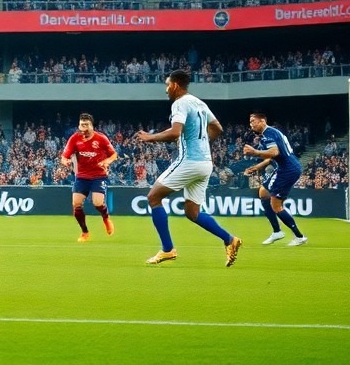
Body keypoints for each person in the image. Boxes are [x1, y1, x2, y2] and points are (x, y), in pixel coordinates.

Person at [136, 69, 241, 266]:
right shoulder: (199, 103)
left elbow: (175, 132)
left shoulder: (180, 103)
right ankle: (230, 240)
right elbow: (218, 128)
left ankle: (167, 250)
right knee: (192, 213)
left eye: (167, 85)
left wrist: (151, 137)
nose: (166, 90)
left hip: (190, 161)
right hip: (205, 163)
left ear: (175, 85)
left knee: (153, 197)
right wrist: (201, 141)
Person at [242, 112, 307, 246]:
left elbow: (274, 152)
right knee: (263, 192)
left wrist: (255, 152)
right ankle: (277, 231)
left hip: (287, 170)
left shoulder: (268, 134)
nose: (251, 124)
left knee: (276, 205)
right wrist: (257, 166)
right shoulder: (272, 132)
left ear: (262, 121)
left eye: (253, 121)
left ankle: (299, 236)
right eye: (250, 122)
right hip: (285, 167)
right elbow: (272, 156)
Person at [60, 112, 118, 242]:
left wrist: (107, 161)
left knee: (97, 203)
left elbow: (114, 155)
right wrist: (65, 161)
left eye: (86, 125)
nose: (83, 128)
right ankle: (85, 232)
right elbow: (65, 156)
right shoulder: (75, 138)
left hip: (98, 176)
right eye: (81, 125)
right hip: (81, 177)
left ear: (92, 126)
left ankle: (106, 218)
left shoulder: (101, 138)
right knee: (76, 204)